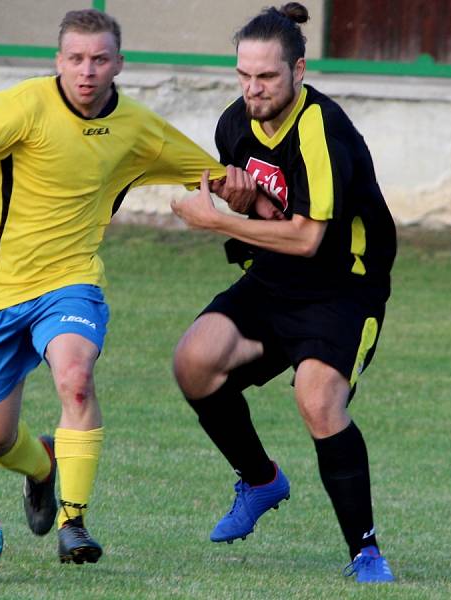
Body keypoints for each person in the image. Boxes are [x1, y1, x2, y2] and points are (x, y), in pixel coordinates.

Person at [0, 8, 224, 565]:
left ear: (119, 63)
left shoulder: (137, 128)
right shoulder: (22, 108)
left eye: (100, 59)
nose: (87, 71)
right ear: (58, 62)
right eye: (76, 58)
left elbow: (211, 173)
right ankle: (43, 466)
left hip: (71, 282)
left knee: (75, 378)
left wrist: (252, 195)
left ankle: (75, 521)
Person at [170, 3, 397, 584]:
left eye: (267, 77)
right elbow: (269, 207)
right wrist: (240, 202)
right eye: (244, 76)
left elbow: (307, 236)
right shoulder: (235, 124)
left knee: (319, 402)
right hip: (274, 281)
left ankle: (366, 552)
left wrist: (217, 221)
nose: (254, 89)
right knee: (194, 361)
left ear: (299, 70)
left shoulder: (321, 128)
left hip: (343, 288)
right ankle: (261, 479)